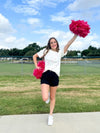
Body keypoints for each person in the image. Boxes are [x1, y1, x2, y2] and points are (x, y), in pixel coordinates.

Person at [33, 34, 77, 126]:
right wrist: (36, 66)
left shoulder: (60, 52)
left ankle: (50, 115)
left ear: (57, 43)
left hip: (55, 76)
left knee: (53, 97)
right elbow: (34, 56)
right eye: (51, 42)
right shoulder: (45, 51)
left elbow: (68, 44)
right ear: (49, 44)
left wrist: (75, 36)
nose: (53, 43)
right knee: (45, 97)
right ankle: (47, 95)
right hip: (45, 75)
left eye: (54, 42)